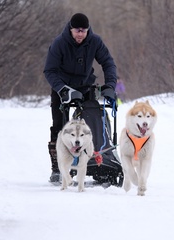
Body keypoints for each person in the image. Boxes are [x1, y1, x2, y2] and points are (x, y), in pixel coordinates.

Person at [43, 13, 117, 183]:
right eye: (77, 31)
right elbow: (49, 71)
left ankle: (97, 159)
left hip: (84, 85)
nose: (80, 34)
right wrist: (63, 90)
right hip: (61, 87)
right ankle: (57, 168)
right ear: (71, 29)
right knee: (60, 126)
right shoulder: (59, 43)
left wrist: (111, 86)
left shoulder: (95, 41)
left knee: (92, 118)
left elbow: (108, 63)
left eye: (83, 31)